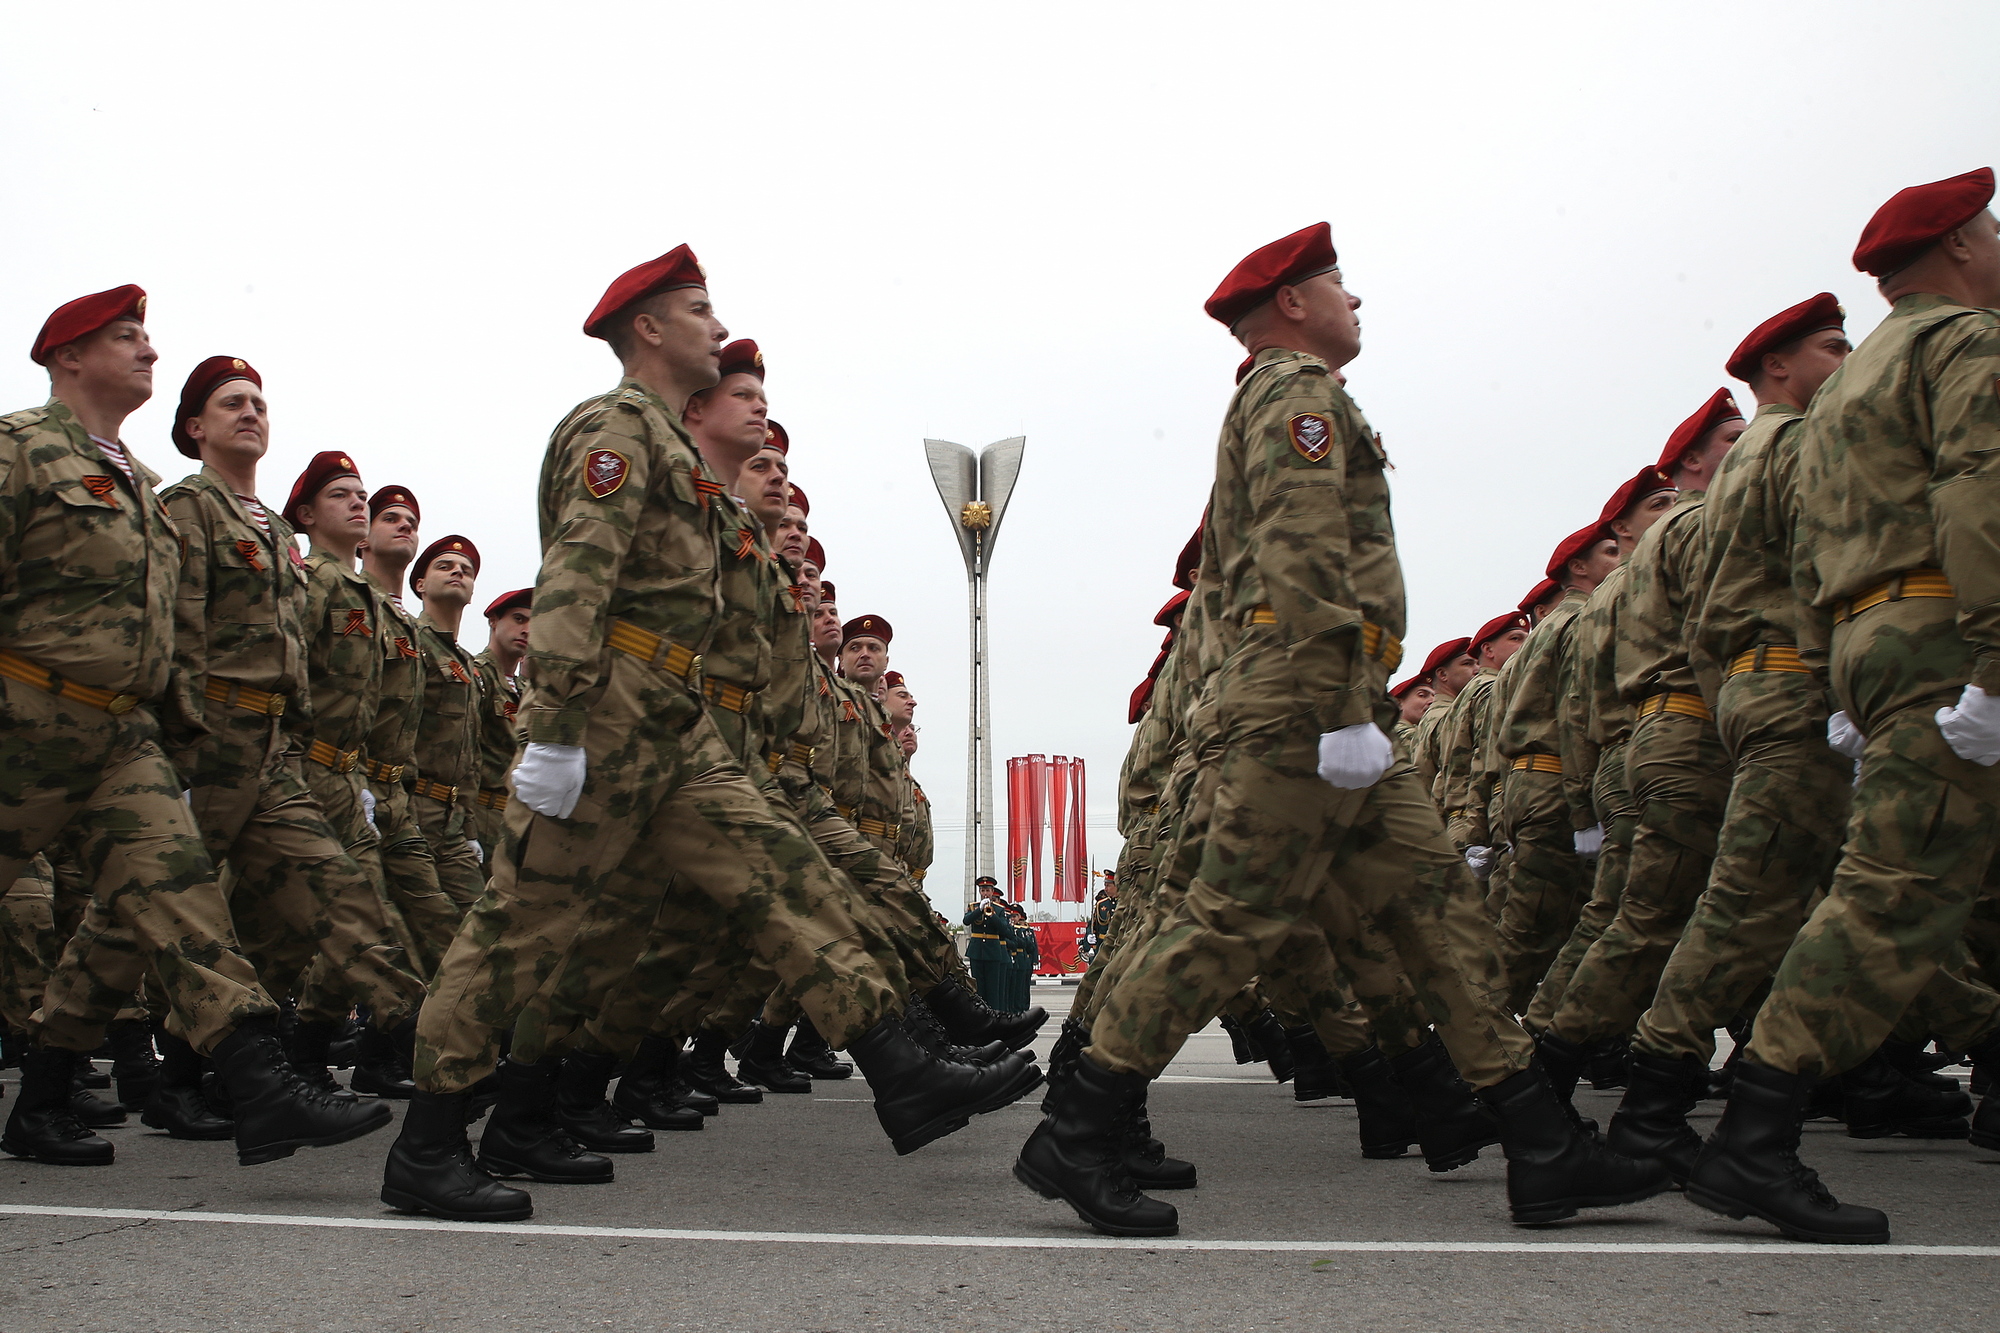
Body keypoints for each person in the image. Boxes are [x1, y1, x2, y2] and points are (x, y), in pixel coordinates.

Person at [1018, 223, 1667, 1237]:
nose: (1352, 303)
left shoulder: (1300, 396)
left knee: (1433, 907)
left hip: (1332, 698)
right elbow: (1302, 547)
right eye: (1336, 287)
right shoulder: (1294, 396)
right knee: (1226, 918)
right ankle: (1079, 1121)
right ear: (1290, 304)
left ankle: (1542, 1146)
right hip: (1301, 701)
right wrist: (1333, 707)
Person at [382, 247, 1039, 1223]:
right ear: (648, 328)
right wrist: (554, 733)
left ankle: (902, 1065)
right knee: (516, 932)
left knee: (790, 875)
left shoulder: (679, 462)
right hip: (606, 716)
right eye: (697, 309)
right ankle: (430, 1144)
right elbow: (576, 584)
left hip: (676, 725)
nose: (712, 324)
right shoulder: (614, 433)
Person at [1, 287, 386, 1168]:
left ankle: (253, 1084)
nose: (146, 350)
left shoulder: (135, 483)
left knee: (181, 902)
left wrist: (173, 738)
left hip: (122, 737)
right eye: (125, 337)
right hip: (26, 720)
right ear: (67, 357)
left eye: (146, 336)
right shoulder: (20, 449)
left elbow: (162, 625)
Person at [1689, 168, 2000, 1243]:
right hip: (1941, 638)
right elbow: (1981, 498)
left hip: (1875, 641)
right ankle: (1754, 1136)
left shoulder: (1851, 385)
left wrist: (1837, 676)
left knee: (1902, 885)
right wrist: (1994, 669)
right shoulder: (1959, 345)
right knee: (1891, 893)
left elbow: (1808, 557)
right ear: (1960, 247)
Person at [1606, 294, 1861, 1183]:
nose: (1851, 360)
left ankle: (1655, 1103)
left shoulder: (1752, 459)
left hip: (1756, 692)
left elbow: (1708, 626)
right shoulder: (1789, 447)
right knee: (1759, 904)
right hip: (1791, 685)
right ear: (1780, 368)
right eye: (1835, 347)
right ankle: (1671, 1109)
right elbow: (1836, 562)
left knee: (1755, 903)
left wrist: (1732, 701)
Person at [160, 359, 427, 1118]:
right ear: (195, 427)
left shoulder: (271, 532)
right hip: (211, 734)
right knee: (153, 908)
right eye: (232, 402)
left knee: (330, 902)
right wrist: (174, 743)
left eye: (259, 402)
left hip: (278, 749)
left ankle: (416, 1057)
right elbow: (178, 626)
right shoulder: (187, 506)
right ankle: (155, 1079)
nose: (252, 412)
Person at [1538, 390, 1746, 1101]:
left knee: (1657, 913)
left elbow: (1585, 702)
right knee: (1662, 914)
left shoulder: (1618, 588)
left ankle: (1570, 1064)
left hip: (1645, 746)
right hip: (1678, 737)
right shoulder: (1684, 537)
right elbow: (1581, 703)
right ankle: (1556, 1067)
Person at [1489, 522, 1619, 1011]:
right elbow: (1576, 716)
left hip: (1530, 786)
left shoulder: (1543, 635)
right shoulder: (1577, 623)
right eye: (1610, 551)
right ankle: (1472, 1047)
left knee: (1532, 923)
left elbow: (1496, 742)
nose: (1621, 556)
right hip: (1557, 786)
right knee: (1534, 929)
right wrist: (1586, 810)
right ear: (1578, 568)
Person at [409, 536, 487, 914]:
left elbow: (470, 756)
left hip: (453, 820)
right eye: (445, 566)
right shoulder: (411, 641)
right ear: (420, 584)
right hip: (412, 808)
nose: (458, 572)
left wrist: (469, 829)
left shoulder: (470, 667)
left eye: (466, 570)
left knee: (475, 921)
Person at [470, 589, 530, 860]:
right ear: (493, 620)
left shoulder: (527, 690)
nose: (527, 630)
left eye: (534, 623)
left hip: (516, 819)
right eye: (518, 619)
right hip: (480, 813)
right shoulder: (475, 676)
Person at [964, 879, 1012, 1009]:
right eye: (983, 890)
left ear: (992, 892)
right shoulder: (974, 907)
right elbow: (966, 921)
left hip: (993, 952)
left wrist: (993, 915)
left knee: (993, 989)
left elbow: (1004, 930)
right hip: (977, 951)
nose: (985, 893)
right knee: (978, 988)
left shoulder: (999, 909)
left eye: (988, 891)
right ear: (980, 892)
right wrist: (979, 910)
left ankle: (993, 1016)